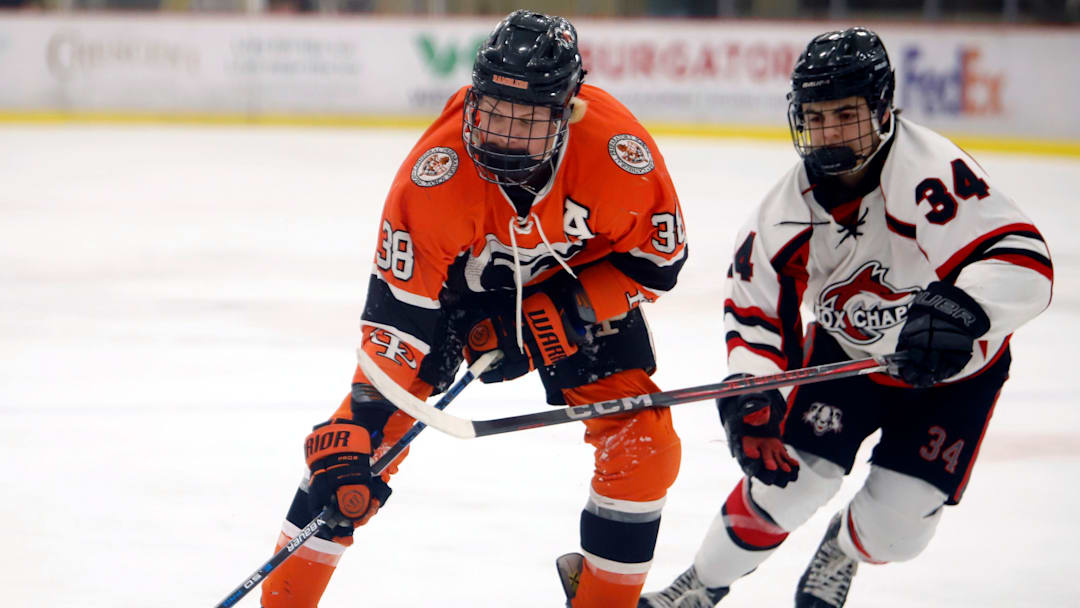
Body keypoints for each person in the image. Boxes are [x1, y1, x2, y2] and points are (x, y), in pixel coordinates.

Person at [259, 10, 689, 608]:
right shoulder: (434, 177)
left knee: (645, 444)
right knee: (354, 448)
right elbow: (397, 320)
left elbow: (656, 265)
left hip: (575, 283)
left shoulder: (620, 158)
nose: (505, 135)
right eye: (495, 113)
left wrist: (560, 315)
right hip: (454, 296)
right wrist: (362, 413)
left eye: (530, 119)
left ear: (569, 111)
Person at [639, 27, 1053, 608]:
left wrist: (965, 308)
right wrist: (753, 396)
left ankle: (842, 551)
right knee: (786, 487)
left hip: (957, 379)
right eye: (816, 116)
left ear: (883, 109)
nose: (828, 133)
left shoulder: (930, 174)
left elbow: (1023, 261)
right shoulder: (781, 217)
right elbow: (757, 317)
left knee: (897, 529)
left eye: (846, 114)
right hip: (848, 362)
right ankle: (698, 586)